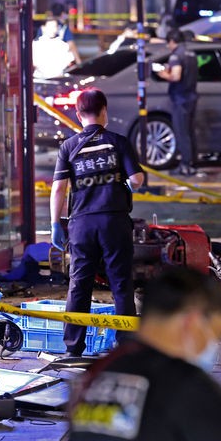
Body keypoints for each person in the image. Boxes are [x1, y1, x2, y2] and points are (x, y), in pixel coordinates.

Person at [68, 267, 221, 441]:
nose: (213, 345)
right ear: (193, 322)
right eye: (215, 334)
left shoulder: (96, 374)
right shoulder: (186, 385)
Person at [49, 88, 145, 357]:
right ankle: (125, 346)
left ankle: (73, 348)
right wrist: (121, 183)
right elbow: (136, 180)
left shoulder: (68, 147)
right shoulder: (118, 142)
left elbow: (58, 189)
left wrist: (56, 224)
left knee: (79, 284)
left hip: (81, 225)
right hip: (114, 221)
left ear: (79, 115)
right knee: (121, 285)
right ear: (105, 111)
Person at [155, 29, 200, 176]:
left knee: (182, 132)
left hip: (180, 98)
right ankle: (193, 162)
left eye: (168, 43)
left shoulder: (176, 55)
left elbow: (176, 76)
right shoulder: (191, 54)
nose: (168, 46)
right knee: (190, 131)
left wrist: (163, 74)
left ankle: (185, 165)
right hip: (191, 96)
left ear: (172, 41)